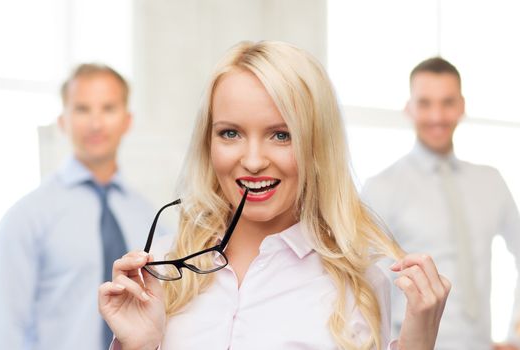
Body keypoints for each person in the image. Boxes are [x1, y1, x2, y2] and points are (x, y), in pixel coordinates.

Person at [98, 41, 450, 350]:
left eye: (281, 135)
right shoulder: (161, 264)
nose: (252, 161)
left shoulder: (358, 284)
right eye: (230, 133)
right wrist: (138, 347)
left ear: (317, 146)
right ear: (208, 142)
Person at [0, 64, 158, 350]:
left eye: (108, 108)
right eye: (82, 109)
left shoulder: (150, 219)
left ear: (127, 121)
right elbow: (6, 328)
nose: (95, 123)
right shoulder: (26, 217)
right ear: (62, 121)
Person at [362, 57, 520, 350]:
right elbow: (362, 282)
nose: (437, 116)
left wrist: (517, 333)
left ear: (462, 106)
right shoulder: (381, 187)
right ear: (409, 108)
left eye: (447, 102)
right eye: (425, 103)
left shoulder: (491, 181)